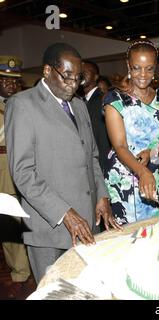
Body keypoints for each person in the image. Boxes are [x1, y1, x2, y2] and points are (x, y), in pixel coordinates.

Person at [5, 43, 121, 283]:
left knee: (85, 290)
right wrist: (64, 213)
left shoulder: (78, 105)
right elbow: (23, 173)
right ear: (47, 71)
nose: (72, 84)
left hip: (87, 222)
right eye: (67, 76)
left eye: (77, 78)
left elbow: (91, 156)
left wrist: (101, 195)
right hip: (50, 228)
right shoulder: (23, 104)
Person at [103, 39, 159, 224]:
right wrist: (142, 172)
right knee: (130, 241)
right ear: (128, 65)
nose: (143, 74)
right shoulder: (115, 99)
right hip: (125, 179)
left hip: (156, 176)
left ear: (155, 67)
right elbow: (119, 146)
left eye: (149, 68)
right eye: (136, 68)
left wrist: (151, 152)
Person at [0, 56, 32, 290]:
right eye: (5, 80)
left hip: (30, 169)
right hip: (4, 171)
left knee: (33, 221)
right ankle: (20, 272)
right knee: (9, 224)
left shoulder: (25, 103)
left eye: (14, 81)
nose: (12, 85)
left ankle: (35, 264)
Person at [82, 60, 111, 173]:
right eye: (81, 72)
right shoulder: (80, 101)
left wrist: (102, 169)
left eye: (86, 72)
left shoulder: (101, 100)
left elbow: (103, 139)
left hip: (100, 166)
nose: (82, 75)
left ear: (96, 76)